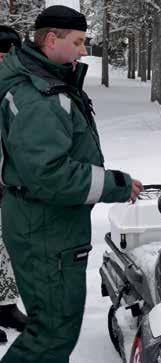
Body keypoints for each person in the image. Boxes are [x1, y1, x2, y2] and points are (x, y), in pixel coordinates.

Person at [0, 6, 143, 362]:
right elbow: (50, 174)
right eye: (78, 42)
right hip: (46, 229)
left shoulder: (49, 83)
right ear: (52, 39)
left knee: (52, 328)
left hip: (49, 225)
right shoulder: (37, 97)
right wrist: (117, 185)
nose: (83, 51)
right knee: (51, 333)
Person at [0, 24, 27, 344]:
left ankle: (5, 305)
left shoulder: (19, 87)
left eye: (9, 53)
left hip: (13, 183)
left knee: (9, 249)